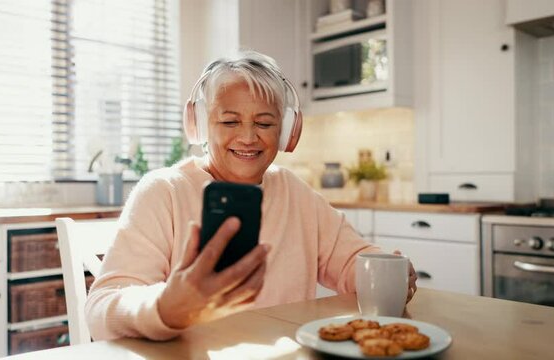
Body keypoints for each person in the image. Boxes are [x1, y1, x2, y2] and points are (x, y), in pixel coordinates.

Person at [85, 51, 418, 341]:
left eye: (264, 123)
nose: (248, 137)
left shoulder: (296, 194)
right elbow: (101, 309)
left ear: (286, 132)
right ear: (200, 125)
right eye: (230, 120)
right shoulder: (163, 192)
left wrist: (389, 272)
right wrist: (165, 306)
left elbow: (351, 262)